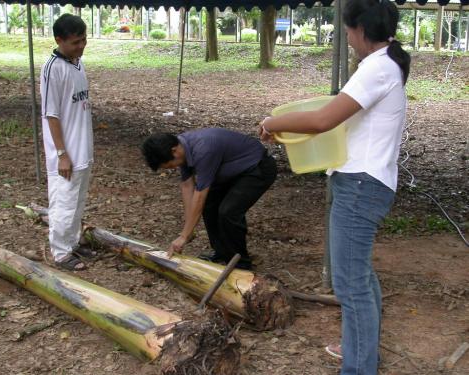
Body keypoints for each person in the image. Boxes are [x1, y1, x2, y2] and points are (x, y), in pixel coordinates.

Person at [259, 0, 410, 373]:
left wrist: (273, 121)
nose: (346, 36)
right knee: (359, 275)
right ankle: (361, 349)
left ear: (360, 29)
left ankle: (359, 366)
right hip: (364, 180)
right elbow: (341, 119)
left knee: (350, 283)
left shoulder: (377, 68)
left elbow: (325, 118)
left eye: (347, 31)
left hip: (361, 184)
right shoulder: (384, 64)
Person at [141, 129, 277, 270]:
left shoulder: (204, 149)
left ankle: (241, 264)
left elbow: (199, 196)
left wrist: (183, 236)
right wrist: (188, 230)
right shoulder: (182, 148)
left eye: (170, 165)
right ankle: (222, 253)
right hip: (233, 171)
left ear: (174, 151)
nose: (173, 168)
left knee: (228, 212)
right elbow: (188, 186)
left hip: (257, 168)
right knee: (209, 205)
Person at [40, 14, 95, 271]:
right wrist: (62, 153)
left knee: (77, 200)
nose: (81, 46)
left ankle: (72, 242)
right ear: (59, 40)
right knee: (63, 201)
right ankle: (61, 253)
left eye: (84, 40)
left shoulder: (78, 63)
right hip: (66, 152)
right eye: (75, 42)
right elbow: (51, 114)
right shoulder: (54, 68)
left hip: (82, 148)